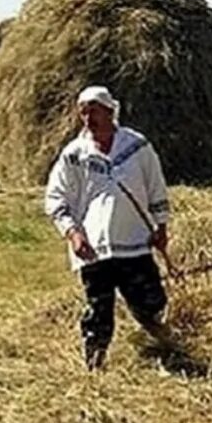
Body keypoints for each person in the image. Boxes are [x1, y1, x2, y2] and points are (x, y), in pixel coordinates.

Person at [44, 85, 173, 371]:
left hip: (135, 243)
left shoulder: (137, 147)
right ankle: (95, 364)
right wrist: (73, 234)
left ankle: (164, 347)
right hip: (93, 248)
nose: (88, 117)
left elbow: (155, 186)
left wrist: (161, 227)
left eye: (94, 110)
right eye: (83, 111)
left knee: (150, 301)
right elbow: (56, 198)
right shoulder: (75, 154)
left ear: (110, 111)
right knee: (98, 309)